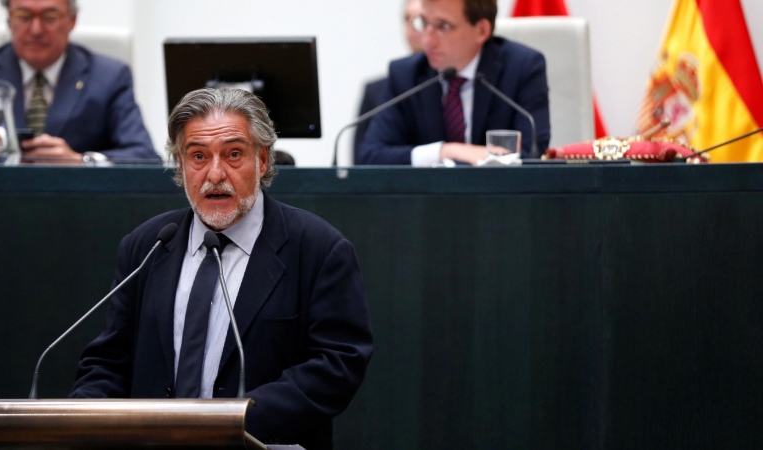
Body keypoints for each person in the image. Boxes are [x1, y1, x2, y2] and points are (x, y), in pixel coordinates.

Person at [69, 88, 374, 450]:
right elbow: (109, 361)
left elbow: (337, 365)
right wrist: (86, 418)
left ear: (262, 161)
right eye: (198, 156)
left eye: (233, 154)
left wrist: (230, 423)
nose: (215, 174)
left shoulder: (318, 249)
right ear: (181, 166)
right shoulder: (146, 245)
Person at [358, 0, 551, 165]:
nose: (427, 40)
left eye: (443, 26)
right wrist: (447, 151)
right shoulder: (406, 74)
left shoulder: (522, 68)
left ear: (482, 30)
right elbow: (370, 156)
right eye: (424, 22)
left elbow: (530, 157)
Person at [0, 0, 158, 163]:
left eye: (49, 17)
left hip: (77, 203)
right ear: (9, 19)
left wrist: (82, 161)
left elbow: (145, 156)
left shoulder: (109, 77)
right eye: (23, 16)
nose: (36, 30)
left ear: (72, 20)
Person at [354, 0, 423, 163]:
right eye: (407, 19)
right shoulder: (376, 90)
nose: (413, 27)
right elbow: (361, 160)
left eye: (421, 20)